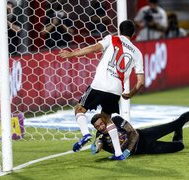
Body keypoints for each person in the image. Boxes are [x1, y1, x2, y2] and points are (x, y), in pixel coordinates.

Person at [58, 20, 145, 160]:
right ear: (133, 34)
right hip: (116, 89)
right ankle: (118, 153)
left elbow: (94, 48)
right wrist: (130, 94)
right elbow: (140, 82)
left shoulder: (112, 38)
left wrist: (72, 54)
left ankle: (86, 134)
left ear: (119, 30)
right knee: (106, 118)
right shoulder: (138, 53)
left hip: (100, 84)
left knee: (79, 109)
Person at [90, 111, 189, 159]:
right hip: (147, 150)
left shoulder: (116, 120)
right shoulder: (101, 136)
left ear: (105, 120)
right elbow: (99, 143)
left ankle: (178, 125)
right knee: (179, 146)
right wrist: (97, 149)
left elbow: (134, 133)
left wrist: (128, 151)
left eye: (101, 124)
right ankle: (178, 132)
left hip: (145, 135)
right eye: (97, 127)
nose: (101, 127)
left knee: (177, 123)